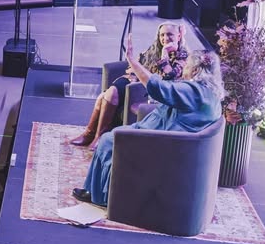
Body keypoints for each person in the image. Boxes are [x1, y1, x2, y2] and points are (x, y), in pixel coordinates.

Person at [73, 41, 224, 207]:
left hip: (160, 141)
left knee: (109, 140)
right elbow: (171, 89)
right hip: (168, 138)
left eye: (187, 65)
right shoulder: (210, 94)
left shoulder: (194, 91)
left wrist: (133, 61)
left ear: (195, 70)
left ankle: (104, 196)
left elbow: (157, 87)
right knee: (113, 136)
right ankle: (102, 190)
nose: (185, 69)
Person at [70, 23, 190, 147]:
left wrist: (165, 53)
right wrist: (135, 74)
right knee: (109, 93)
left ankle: (95, 136)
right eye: (162, 35)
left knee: (108, 95)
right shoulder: (154, 50)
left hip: (151, 91)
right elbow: (133, 68)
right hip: (135, 83)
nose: (165, 38)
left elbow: (169, 77)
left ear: (179, 35)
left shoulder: (184, 56)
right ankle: (92, 135)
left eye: (169, 34)